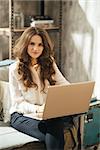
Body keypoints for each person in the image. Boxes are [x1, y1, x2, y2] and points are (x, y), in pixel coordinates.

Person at [9, 26, 70, 150]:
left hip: (47, 114)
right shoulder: (15, 69)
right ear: (25, 44)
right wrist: (37, 109)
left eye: (40, 45)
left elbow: (64, 84)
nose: (35, 48)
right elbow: (18, 103)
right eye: (32, 44)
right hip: (22, 115)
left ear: (44, 47)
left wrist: (74, 95)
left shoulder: (49, 63)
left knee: (54, 124)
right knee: (54, 130)